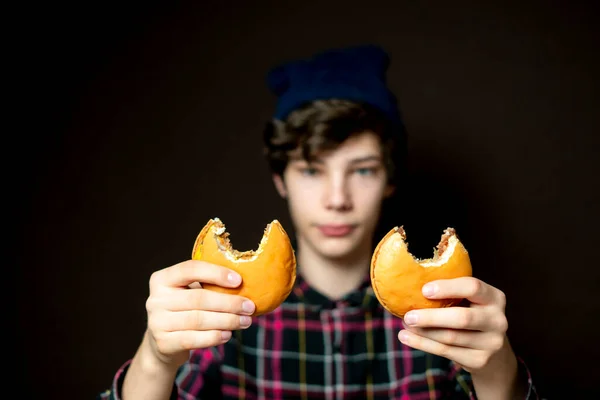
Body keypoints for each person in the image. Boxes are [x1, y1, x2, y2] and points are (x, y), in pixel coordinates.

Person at [98, 45, 539, 399]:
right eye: (312, 170)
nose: (336, 199)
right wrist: (155, 359)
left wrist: (499, 369)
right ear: (281, 178)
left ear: (390, 178)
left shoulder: (442, 320)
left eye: (362, 169)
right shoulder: (219, 317)